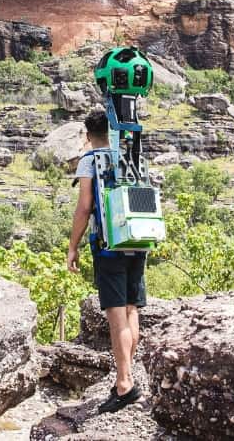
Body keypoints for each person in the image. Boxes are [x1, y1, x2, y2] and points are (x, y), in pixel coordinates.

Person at [67, 109, 145, 414]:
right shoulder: (130, 155)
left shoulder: (90, 160)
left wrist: (72, 247)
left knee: (116, 316)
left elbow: (84, 207)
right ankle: (125, 375)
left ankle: (125, 384)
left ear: (88, 136)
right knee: (131, 308)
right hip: (137, 240)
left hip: (108, 245)